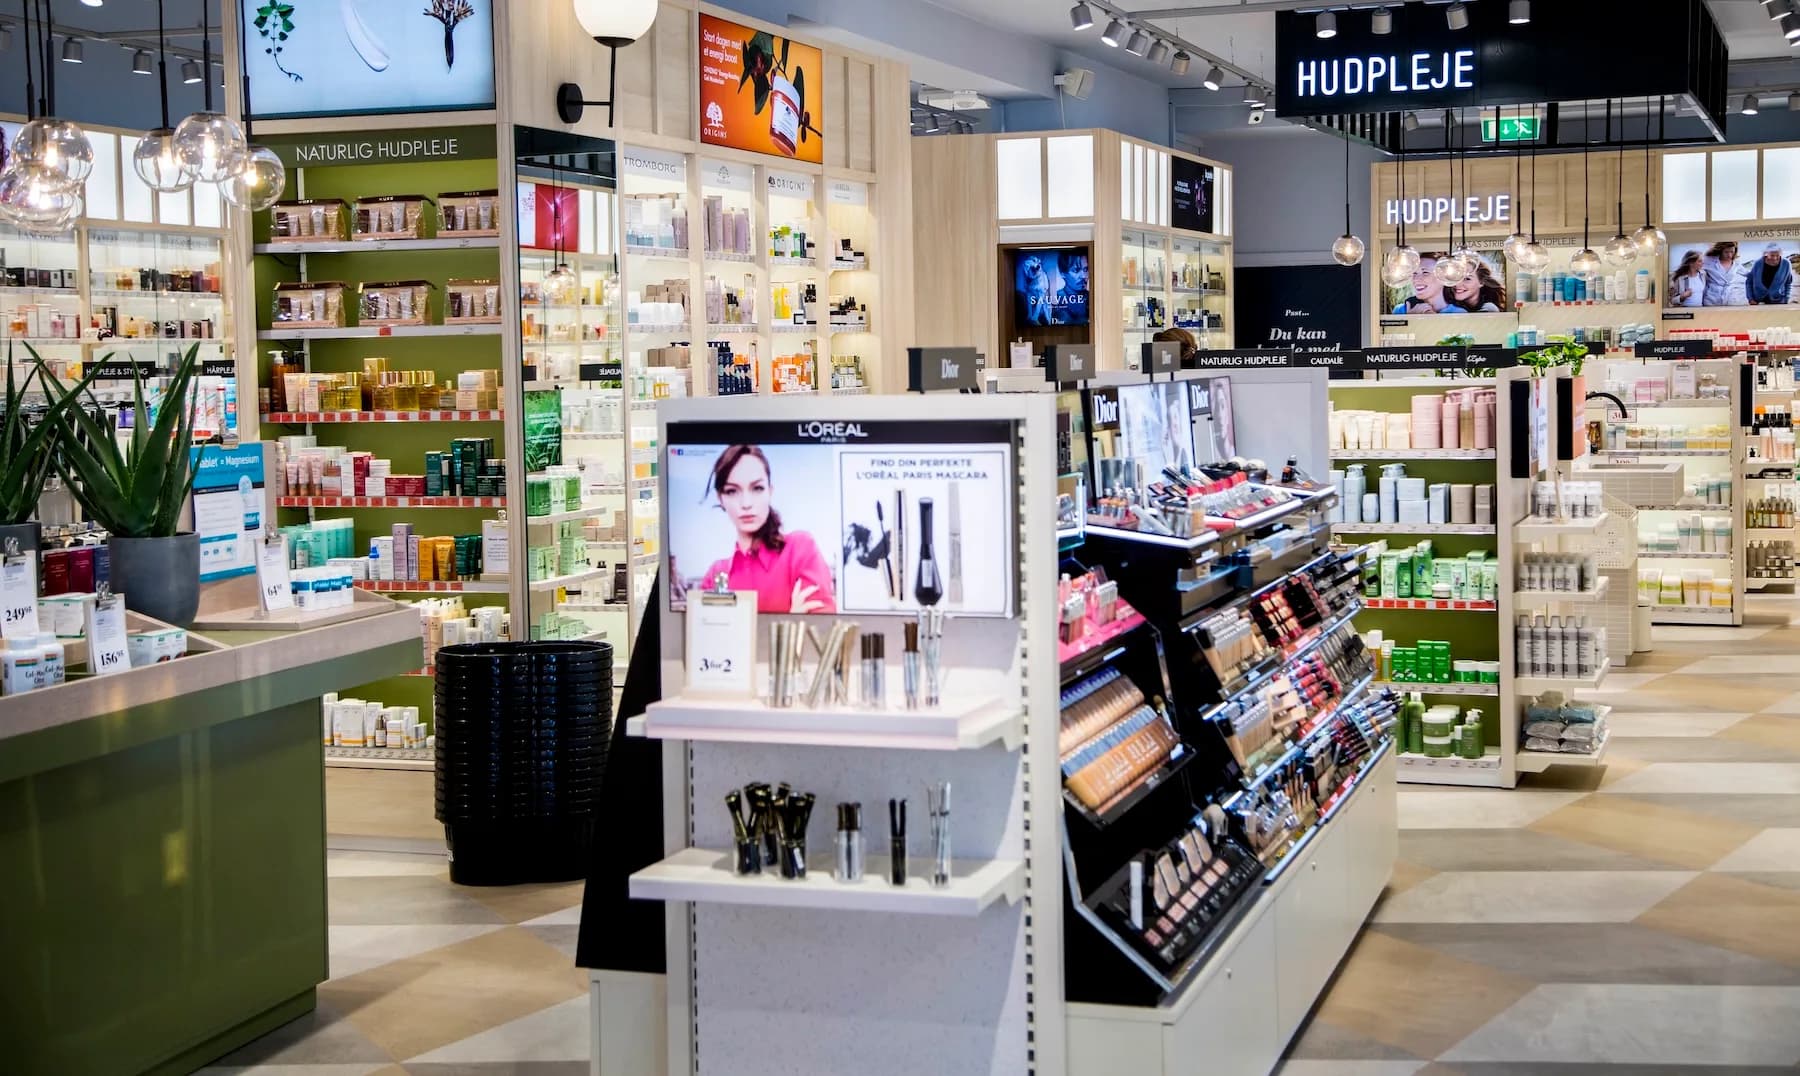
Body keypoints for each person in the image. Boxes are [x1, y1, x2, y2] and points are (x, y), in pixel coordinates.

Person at [700, 444, 835, 613]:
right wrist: (789, 622)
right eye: (732, 491)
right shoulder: (716, 575)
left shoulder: (800, 549)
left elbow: (822, 631)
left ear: (770, 492)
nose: (746, 503)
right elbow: (707, 637)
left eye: (757, 488)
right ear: (720, 498)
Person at [1701, 241, 1739, 306]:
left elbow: (1749, 274)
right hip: (1711, 298)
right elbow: (1693, 266)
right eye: (1726, 252)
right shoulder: (1708, 260)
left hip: (1729, 299)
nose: (1729, 255)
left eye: (1732, 252)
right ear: (1720, 251)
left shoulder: (1736, 264)